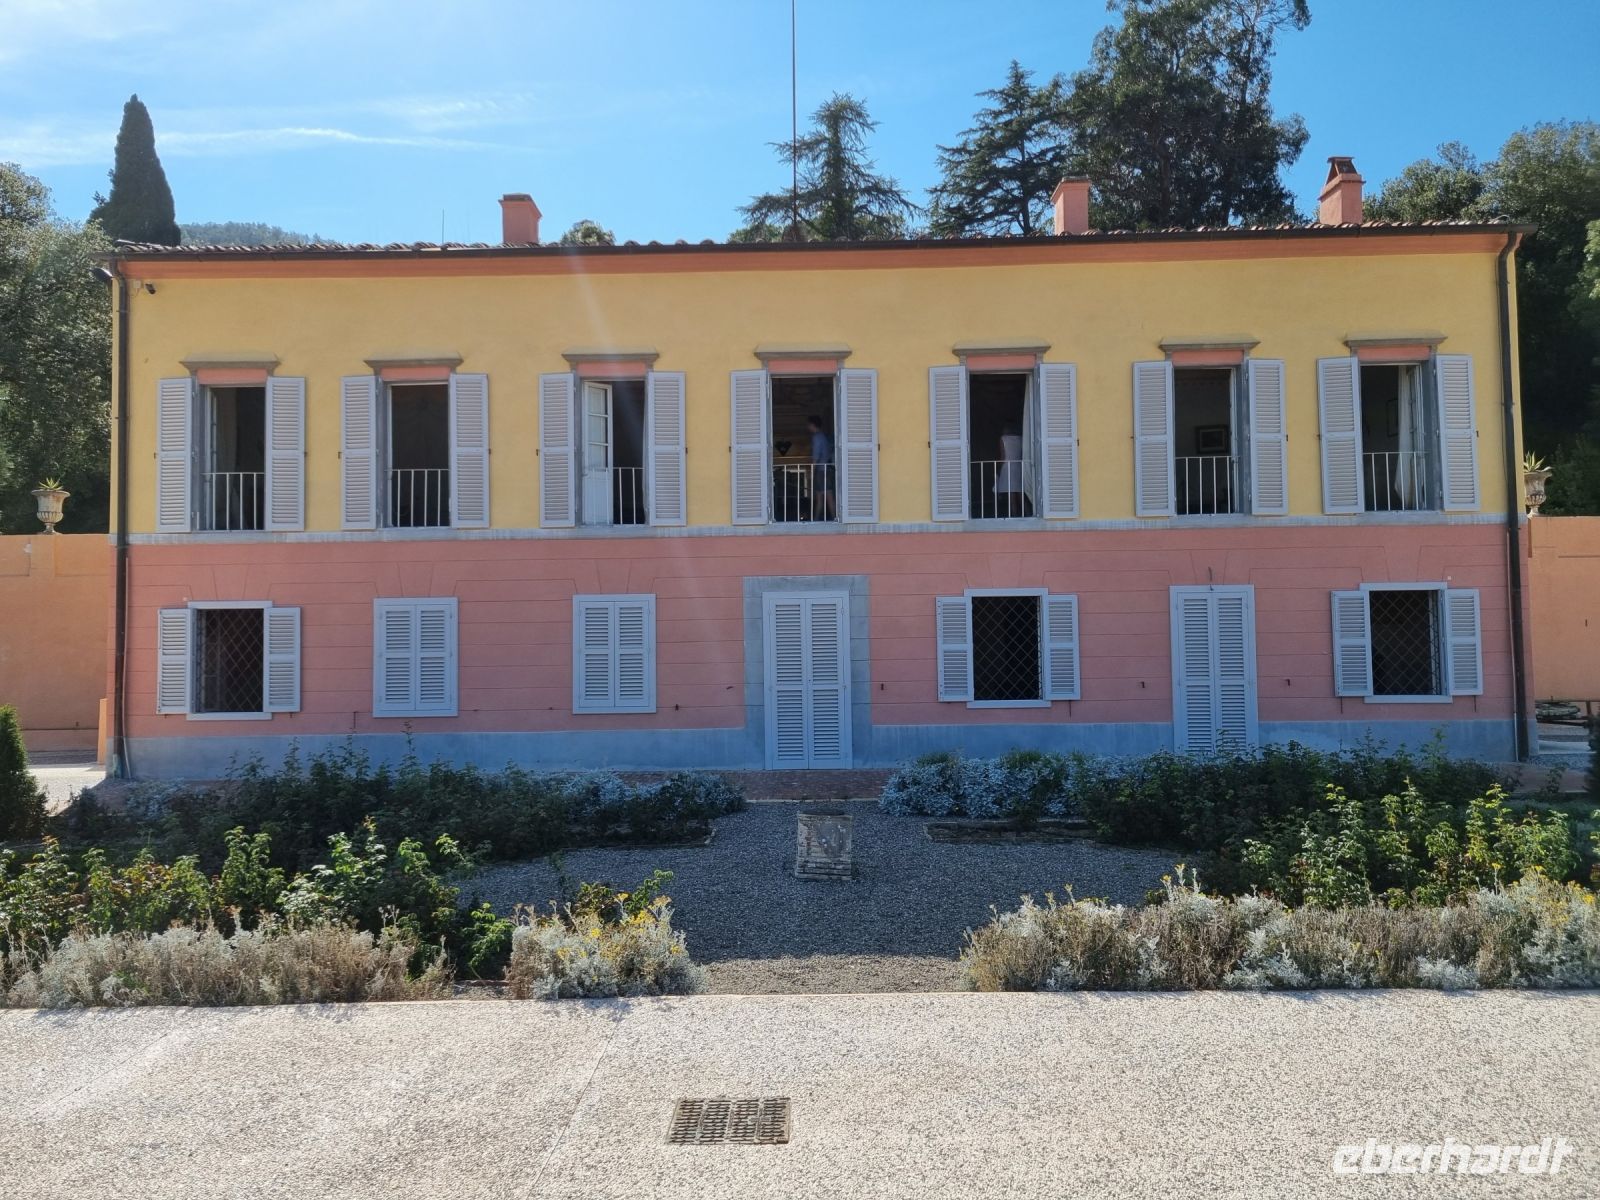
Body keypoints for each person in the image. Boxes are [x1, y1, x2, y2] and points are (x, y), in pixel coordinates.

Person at [994, 422, 1029, 516]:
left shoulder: (1003, 439)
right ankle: (1027, 513)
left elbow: (1003, 456)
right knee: (1021, 493)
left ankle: (1014, 515)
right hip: (1019, 466)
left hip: (1007, 467)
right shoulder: (1021, 438)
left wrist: (998, 470)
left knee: (1011, 495)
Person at [807, 414, 835, 520]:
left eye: (808, 425)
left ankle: (835, 518)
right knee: (821, 497)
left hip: (822, 471)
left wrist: (811, 472)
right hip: (824, 470)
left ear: (812, 425)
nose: (808, 427)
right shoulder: (823, 436)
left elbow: (816, 456)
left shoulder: (817, 437)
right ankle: (816, 519)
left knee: (828, 497)